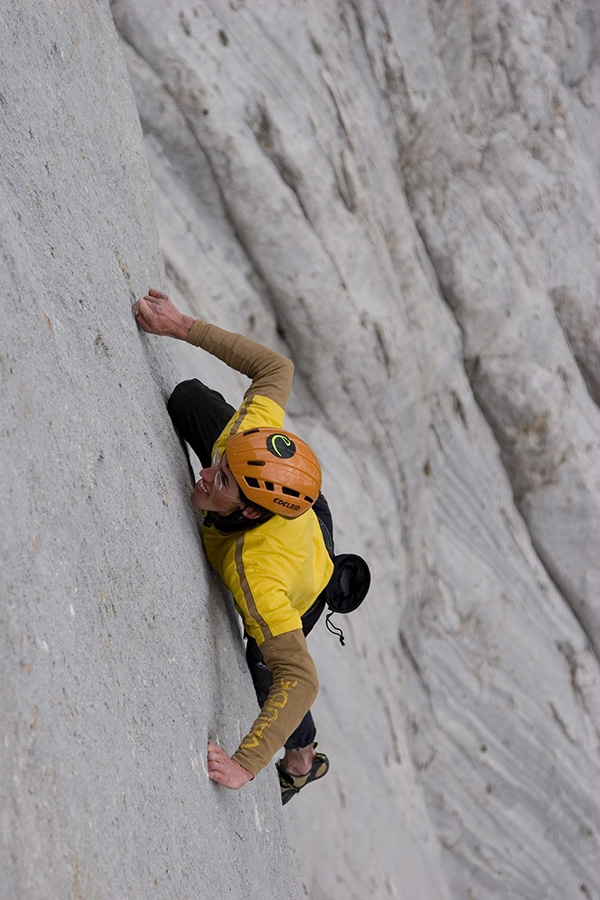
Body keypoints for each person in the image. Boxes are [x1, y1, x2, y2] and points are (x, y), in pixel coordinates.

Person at [132, 288, 334, 803]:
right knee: (187, 399)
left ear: (246, 511)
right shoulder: (245, 441)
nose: (204, 473)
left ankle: (302, 757)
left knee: (265, 665)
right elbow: (275, 368)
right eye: (217, 467)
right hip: (295, 499)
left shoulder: (258, 578)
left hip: (304, 579)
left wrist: (246, 764)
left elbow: (302, 679)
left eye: (217, 482)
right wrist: (181, 326)